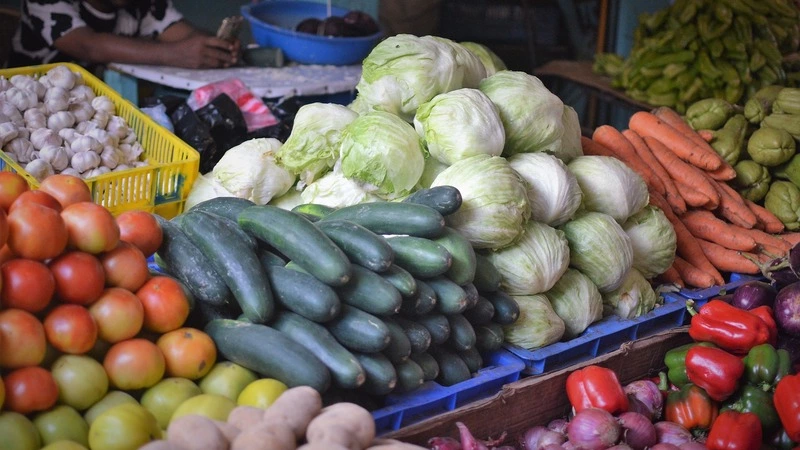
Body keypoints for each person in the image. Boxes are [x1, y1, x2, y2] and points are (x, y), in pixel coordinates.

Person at [8, 0, 240, 69]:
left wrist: (215, 46)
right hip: (30, 111)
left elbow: (183, 34)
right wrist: (176, 54)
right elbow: (88, 45)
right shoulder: (46, 1)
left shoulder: (142, 5)